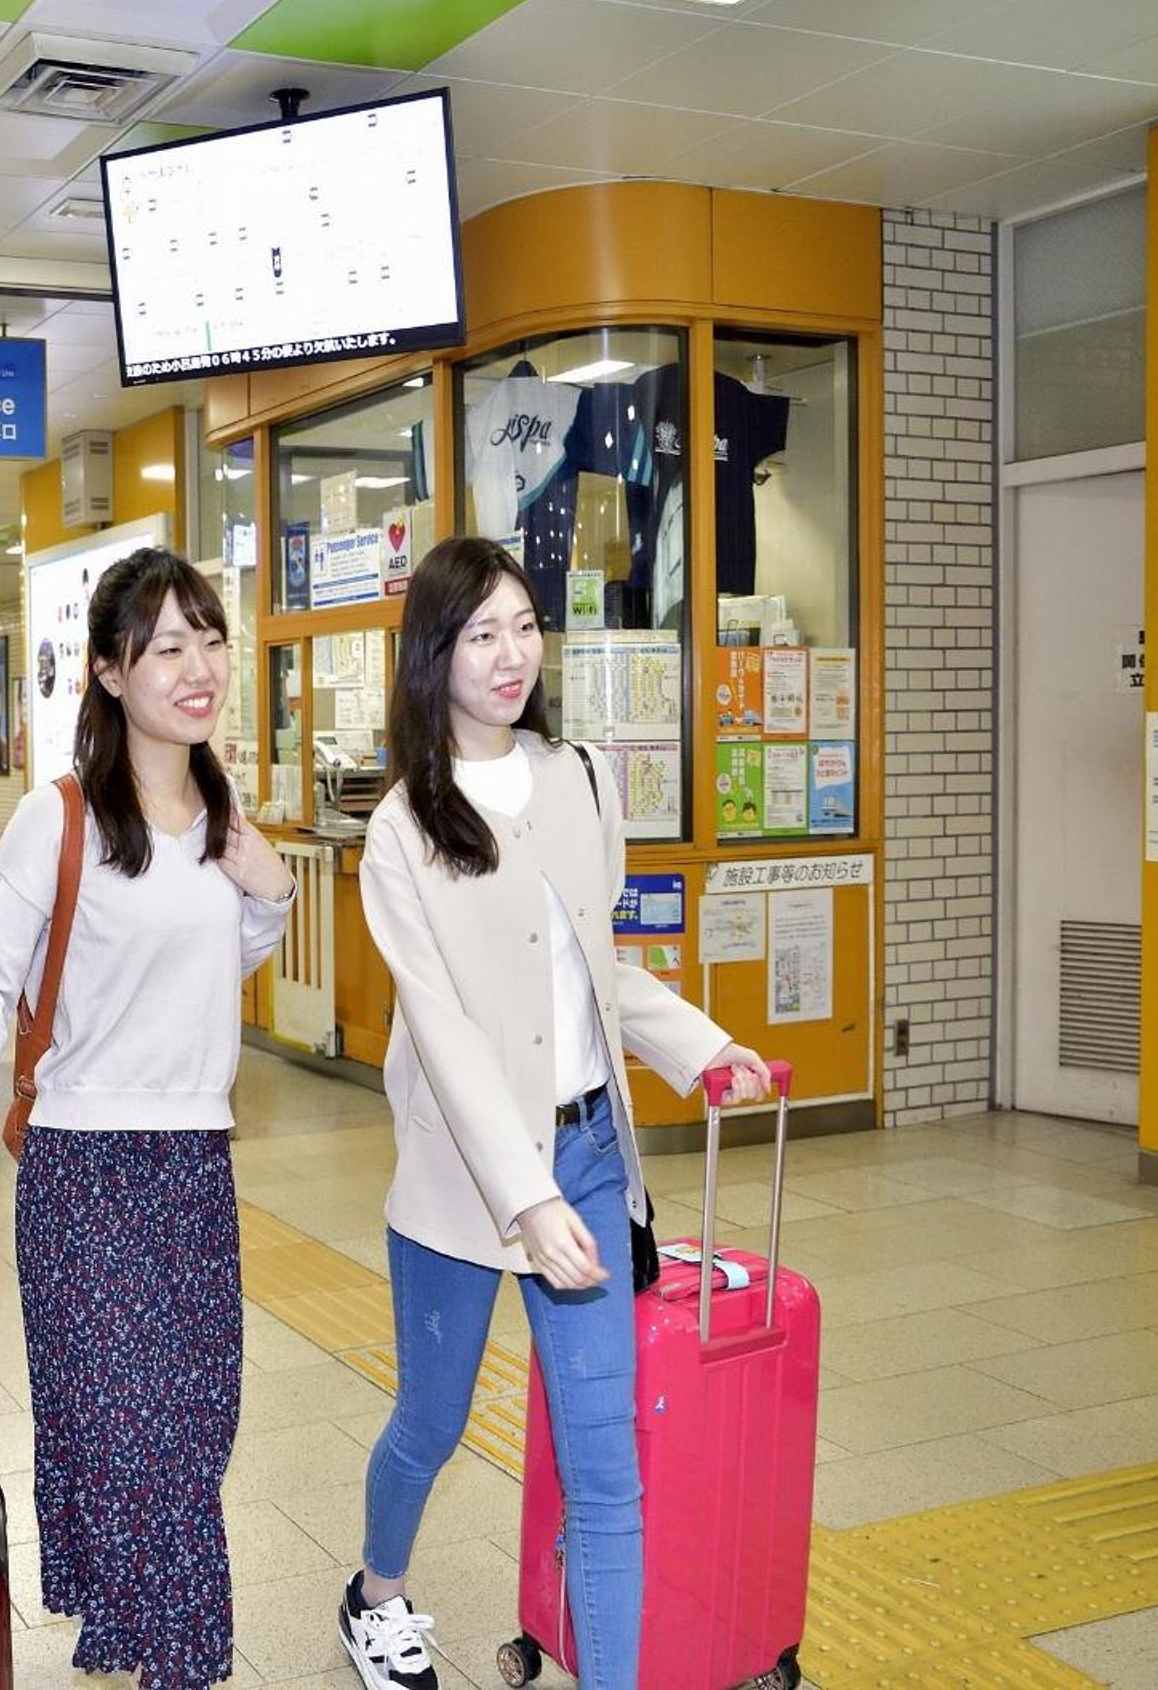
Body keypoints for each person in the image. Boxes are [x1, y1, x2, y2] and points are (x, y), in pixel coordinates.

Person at [338, 536, 769, 1690]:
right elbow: (448, 1031)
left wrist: (702, 1049)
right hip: (465, 1183)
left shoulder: (581, 777)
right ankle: (375, 1590)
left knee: (606, 1467)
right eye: (480, 633)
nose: (509, 654)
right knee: (429, 1426)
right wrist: (522, 1199)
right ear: (433, 655)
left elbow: (595, 970)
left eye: (524, 626)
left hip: (586, 1155)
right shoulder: (402, 831)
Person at [0, 548, 296, 1690]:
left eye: (211, 637)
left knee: (191, 1433)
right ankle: (182, 1660)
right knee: (133, 1441)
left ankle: (135, 1627)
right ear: (107, 672)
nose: (200, 667)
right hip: (84, 1172)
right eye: (167, 645)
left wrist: (271, 894)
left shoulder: (226, 819)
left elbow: (216, 969)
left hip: (195, 1163)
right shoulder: (63, 821)